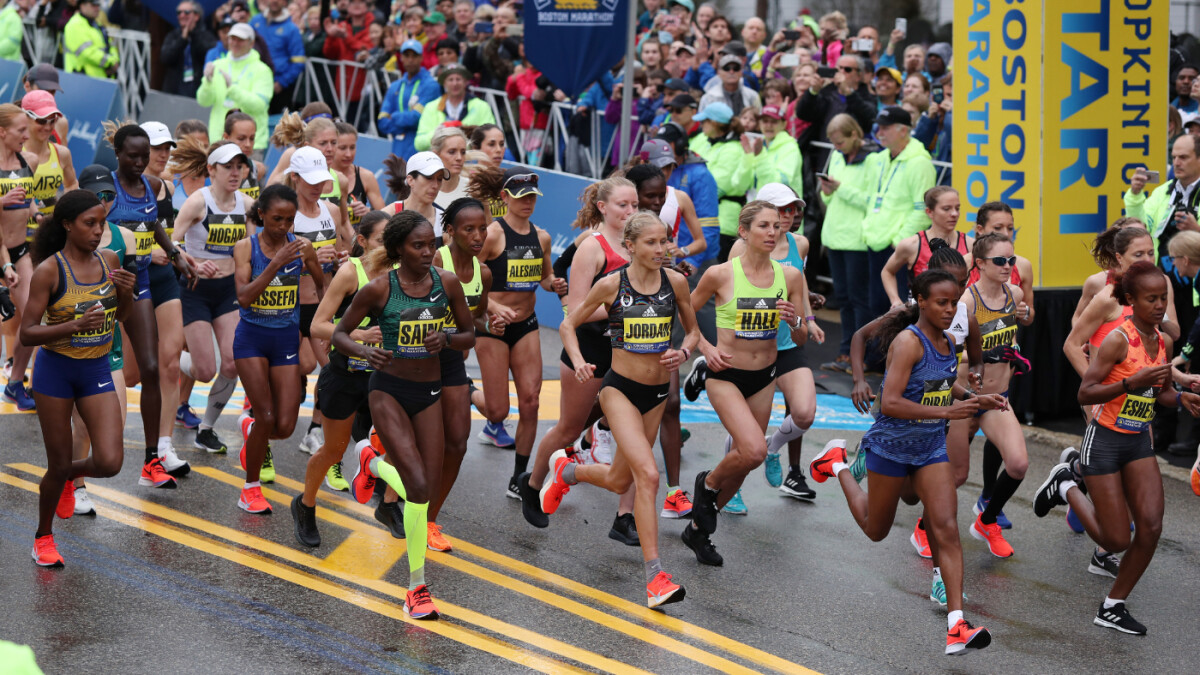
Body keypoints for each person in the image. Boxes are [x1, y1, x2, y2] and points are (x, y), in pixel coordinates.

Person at [810, 268, 998, 655]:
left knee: (946, 528)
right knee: (875, 529)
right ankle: (838, 463)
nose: (950, 310)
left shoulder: (948, 342)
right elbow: (891, 402)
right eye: (942, 303)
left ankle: (957, 624)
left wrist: (972, 399)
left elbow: (941, 383)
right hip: (890, 448)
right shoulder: (908, 342)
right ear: (922, 302)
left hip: (930, 449)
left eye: (954, 302)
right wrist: (947, 413)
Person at [540, 212, 700, 607]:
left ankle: (567, 470)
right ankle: (655, 577)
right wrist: (579, 361)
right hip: (619, 391)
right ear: (630, 246)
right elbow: (568, 324)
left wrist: (683, 352)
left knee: (618, 480)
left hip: (656, 395)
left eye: (664, 241)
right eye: (651, 242)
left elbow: (694, 332)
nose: (661, 249)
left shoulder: (676, 283)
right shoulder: (612, 285)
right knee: (648, 475)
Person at [1034, 261, 1200, 635]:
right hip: (1105, 441)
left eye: (1163, 298)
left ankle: (1112, 605)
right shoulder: (1118, 340)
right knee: (1115, 539)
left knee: (1151, 527)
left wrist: (1181, 398)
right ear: (1131, 300)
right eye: (1151, 299)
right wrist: (1130, 383)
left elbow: (1161, 392)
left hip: (1138, 440)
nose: (1160, 306)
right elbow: (1086, 393)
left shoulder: (1164, 341)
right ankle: (1066, 483)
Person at [342, 210, 475, 620]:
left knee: (424, 490)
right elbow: (340, 333)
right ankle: (417, 588)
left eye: (431, 244)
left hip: (429, 393)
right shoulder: (379, 289)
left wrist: (447, 339)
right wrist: (365, 351)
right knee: (416, 486)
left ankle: (370, 462)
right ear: (399, 248)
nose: (427, 251)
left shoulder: (446, 283)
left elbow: (470, 334)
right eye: (418, 246)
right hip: (388, 392)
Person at [682, 201, 803, 565]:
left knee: (744, 462)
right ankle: (706, 484)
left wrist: (796, 321)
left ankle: (699, 531)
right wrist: (706, 347)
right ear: (744, 231)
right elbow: (686, 311)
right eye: (763, 225)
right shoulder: (720, 274)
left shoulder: (790, 277)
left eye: (776, 226)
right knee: (753, 451)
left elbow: (800, 340)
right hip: (725, 374)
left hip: (764, 377)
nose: (772, 232)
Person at [23, 190, 136, 566]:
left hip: (95, 369)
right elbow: (27, 333)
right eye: (90, 223)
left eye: (101, 223)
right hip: (56, 372)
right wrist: (74, 325)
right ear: (68, 225)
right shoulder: (50, 270)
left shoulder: (109, 260)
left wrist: (126, 295)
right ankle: (43, 537)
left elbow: (121, 317)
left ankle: (66, 477)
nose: (98, 231)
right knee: (56, 463)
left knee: (109, 462)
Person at [519, 177, 636, 534]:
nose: (631, 211)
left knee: (634, 434)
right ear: (603, 207)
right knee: (569, 428)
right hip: (589, 351)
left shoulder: (638, 242)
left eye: (635, 205)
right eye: (623, 205)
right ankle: (532, 484)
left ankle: (625, 517)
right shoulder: (592, 246)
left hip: (628, 352)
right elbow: (577, 310)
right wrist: (623, 307)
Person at [106, 123, 197, 479]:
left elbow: (153, 224)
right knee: (119, 372)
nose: (140, 162)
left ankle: (153, 459)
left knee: (152, 367)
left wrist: (174, 254)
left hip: (141, 281)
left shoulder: (152, 186)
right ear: (118, 153)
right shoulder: (105, 189)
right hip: (107, 285)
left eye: (144, 156)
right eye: (133, 156)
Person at [295, 210, 391, 544]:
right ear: (362, 240)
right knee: (333, 451)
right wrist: (359, 336)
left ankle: (385, 497)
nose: (388, 247)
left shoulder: (400, 273)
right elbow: (317, 325)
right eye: (381, 240)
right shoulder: (351, 273)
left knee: (399, 438)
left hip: (383, 377)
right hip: (346, 375)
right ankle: (305, 505)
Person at [468, 167, 563, 490]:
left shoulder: (542, 237)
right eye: (521, 197)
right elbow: (468, 277)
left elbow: (545, 278)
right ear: (504, 198)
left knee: (531, 402)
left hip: (526, 325)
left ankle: (519, 477)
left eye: (532, 197)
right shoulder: (493, 235)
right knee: (497, 411)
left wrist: (555, 283)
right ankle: (467, 391)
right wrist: (493, 307)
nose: (528, 203)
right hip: (492, 327)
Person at [233, 184, 324, 513]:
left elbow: (322, 285)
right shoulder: (246, 248)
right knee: (266, 415)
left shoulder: (302, 246)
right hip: (252, 340)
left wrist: (324, 320)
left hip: (285, 339)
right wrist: (276, 264)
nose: (284, 226)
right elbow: (244, 298)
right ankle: (250, 489)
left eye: (289, 220)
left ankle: (250, 428)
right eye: (276, 219)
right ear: (261, 214)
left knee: (284, 427)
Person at [941, 234, 1031, 558]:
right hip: (964, 399)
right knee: (957, 476)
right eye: (1000, 261)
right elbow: (946, 355)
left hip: (996, 398)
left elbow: (1015, 330)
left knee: (1018, 464)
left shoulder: (1015, 294)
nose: (1008, 266)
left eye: (1012, 260)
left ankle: (987, 521)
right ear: (979, 263)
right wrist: (986, 355)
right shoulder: (965, 303)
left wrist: (1013, 352)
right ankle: (924, 528)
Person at [171, 140, 252, 456]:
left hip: (227, 291)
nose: (235, 173)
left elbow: (256, 246)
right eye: (227, 167)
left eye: (239, 167)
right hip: (195, 290)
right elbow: (171, 244)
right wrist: (192, 263)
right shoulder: (197, 202)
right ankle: (168, 357)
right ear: (211, 170)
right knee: (204, 371)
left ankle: (206, 429)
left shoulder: (246, 204)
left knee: (232, 362)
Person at [427, 198, 493, 551]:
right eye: (469, 229)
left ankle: (429, 520)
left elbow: (476, 318)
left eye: (483, 228)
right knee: (425, 443)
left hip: (452, 360)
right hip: (418, 359)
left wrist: (489, 324)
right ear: (450, 231)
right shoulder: (437, 261)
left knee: (457, 442)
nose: (478, 236)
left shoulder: (484, 274)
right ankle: (386, 484)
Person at [282, 146, 354, 458]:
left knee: (332, 368)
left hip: (322, 303)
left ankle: (314, 428)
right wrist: (308, 259)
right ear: (295, 178)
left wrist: (340, 259)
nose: (317, 186)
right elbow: (272, 264)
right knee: (305, 365)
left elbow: (340, 252)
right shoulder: (286, 214)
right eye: (310, 180)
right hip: (288, 303)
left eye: (321, 180)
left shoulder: (332, 211)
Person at [854, 106, 935, 318]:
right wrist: (868, 229)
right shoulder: (879, 158)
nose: (879, 132)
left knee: (897, 312)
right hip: (875, 241)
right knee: (876, 308)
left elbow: (923, 210)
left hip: (896, 247)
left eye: (885, 128)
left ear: (903, 130)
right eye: (878, 127)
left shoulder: (920, 163)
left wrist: (898, 242)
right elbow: (871, 198)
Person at [818, 114, 875, 373]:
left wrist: (840, 188)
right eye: (833, 143)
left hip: (857, 240)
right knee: (843, 298)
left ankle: (860, 355)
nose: (836, 147)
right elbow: (830, 200)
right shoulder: (839, 156)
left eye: (839, 142)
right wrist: (827, 191)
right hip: (835, 236)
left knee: (858, 299)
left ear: (854, 134)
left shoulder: (873, 159)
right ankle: (845, 352)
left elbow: (870, 200)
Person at [0, 104, 37, 409]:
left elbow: (29, 200)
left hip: (19, 249)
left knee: (35, 318)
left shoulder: (28, 161)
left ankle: (15, 384)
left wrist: (39, 215)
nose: (27, 135)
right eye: (21, 130)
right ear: (2, 132)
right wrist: (2, 199)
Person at [688, 102, 757, 263]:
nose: (701, 124)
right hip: (700, 219)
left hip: (722, 224)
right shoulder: (704, 140)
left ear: (715, 123)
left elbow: (715, 187)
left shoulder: (733, 149)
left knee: (716, 272)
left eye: (704, 121)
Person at [882, 187, 968, 308]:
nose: (954, 214)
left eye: (957, 208)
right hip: (921, 314)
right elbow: (887, 271)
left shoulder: (970, 244)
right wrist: (895, 300)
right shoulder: (912, 245)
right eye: (946, 209)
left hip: (958, 313)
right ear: (929, 212)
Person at [197, 23, 274, 152]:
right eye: (232, 38)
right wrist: (207, 82)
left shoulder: (262, 70)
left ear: (251, 43)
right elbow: (203, 101)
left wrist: (232, 89)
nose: (235, 43)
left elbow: (259, 105)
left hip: (250, 145)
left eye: (240, 40)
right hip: (219, 142)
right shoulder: (218, 65)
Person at [376, 39, 442, 160]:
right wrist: (407, 121)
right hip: (398, 149)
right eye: (407, 56)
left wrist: (394, 116)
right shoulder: (395, 86)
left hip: (421, 151)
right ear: (401, 58)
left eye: (414, 56)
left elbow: (417, 118)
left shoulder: (431, 85)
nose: (410, 60)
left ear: (421, 58)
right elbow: (382, 122)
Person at [415, 65, 497, 151]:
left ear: (466, 82)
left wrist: (468, 133)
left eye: (458, 79)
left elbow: (492, 137)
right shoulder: (430, 107)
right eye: (450, 80)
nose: (455, 83)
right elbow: (419, 144)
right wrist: (439, 132)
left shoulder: (481, 106)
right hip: (440, 158)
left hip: (473, 157)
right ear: (444, 83)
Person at [250, 0, 306, 114]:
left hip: (278, 87)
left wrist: (282, 82)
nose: (274, 1)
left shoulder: (291, 29)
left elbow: (298, 62)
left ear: (285, 2)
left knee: (278, 122)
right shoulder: (255, 21)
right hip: (253, 82)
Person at [331, 122, 385, 228]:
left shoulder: (366, 176)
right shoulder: (321, 177)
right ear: (331, 147)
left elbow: (384, 216)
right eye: (342, 148)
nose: (348, 154)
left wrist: (368, 212)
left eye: (352, 147)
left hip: (358, 236)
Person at [161, 1, 219, 98]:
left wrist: (194, 34)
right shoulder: (173, 36)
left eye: (186, 12)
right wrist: (182, 39)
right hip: (175, 89)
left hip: (198, 89)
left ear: (196, 16)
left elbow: (208, 56)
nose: (182, 15)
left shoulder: (206, 36)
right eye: (179, 12)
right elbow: (165, 58)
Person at [63, 0, 118, 79]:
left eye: (98, 5)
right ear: (82, 6)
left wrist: (114, 61)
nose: (97, 8)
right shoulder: (75, 25)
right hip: (82, 79)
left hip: (101, 79)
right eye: (93, 5)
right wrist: (110, 62)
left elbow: (111, 45)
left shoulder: (97, 25)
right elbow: (87, 53)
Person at [221, 112, 269, 200]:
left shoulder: (258, 169)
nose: (248, 144)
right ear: (226, 137)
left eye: (252, 138)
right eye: (241, 138)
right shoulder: (215, 170)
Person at [754, 105, 802, 190]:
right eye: (765, 121)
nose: (769, 125)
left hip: (782, 199)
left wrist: (760, 157)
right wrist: (746, 158)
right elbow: (741, 185)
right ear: (759, 123)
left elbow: (780, 184)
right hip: (760, 198)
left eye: (774, 122)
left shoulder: (790, 148)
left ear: (784, 124)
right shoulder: (759, 145)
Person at [21, 65, 69, 145]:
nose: (47, 95)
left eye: (52, 91)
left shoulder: (61, 123)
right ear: (27, 86)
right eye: (43, 90)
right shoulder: (10, 120)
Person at [431, 126, 470, 209]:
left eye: (463, 152)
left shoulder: (472, 188)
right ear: (436, 155)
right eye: (452, 152)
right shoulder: (425, 190)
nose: (459, 158)